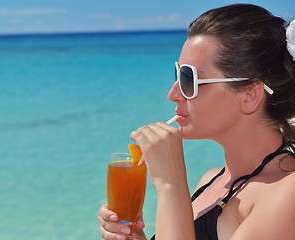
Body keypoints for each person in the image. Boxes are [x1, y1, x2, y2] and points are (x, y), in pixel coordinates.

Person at [98, 3, 295, 240]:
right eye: (178, 74)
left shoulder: (287, 193)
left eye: (188, 78)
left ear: (249, 95)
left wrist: (171, 185)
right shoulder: (212, 180)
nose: (172, 94)